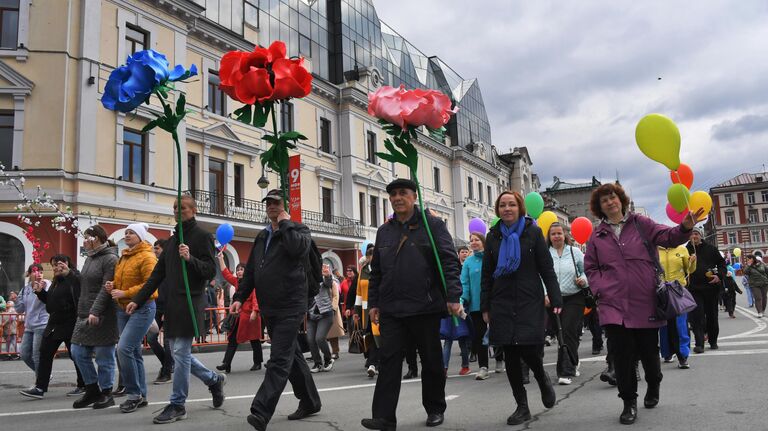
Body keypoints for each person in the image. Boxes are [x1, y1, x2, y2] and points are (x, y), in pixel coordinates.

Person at [584, 183, 701, 425]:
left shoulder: (640, 223)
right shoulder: (597, 235)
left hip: (645, 300)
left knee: (649, 354)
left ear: (621, 200)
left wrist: (685, 227)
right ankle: (628, 402)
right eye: (604, 200)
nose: (610, 202)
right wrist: (600, 289)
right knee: (622, 356)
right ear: (599, 207)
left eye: (613, 197)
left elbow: (668, 237)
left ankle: (654, 383)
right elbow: (591, 268)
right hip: (613, 306)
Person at [361, 178, 462, 431]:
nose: (397, 197)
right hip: (392, 309)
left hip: (425, 306)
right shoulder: (384, 231)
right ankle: (384, 418)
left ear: (414, 196)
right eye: (393, 194)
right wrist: (374, 302)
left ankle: (435, 408)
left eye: (402, 193)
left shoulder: (433, 226)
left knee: (431, 362)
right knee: (389, 362)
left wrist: (453, 296)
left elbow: (449, 262)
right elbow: (377, 272)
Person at [126, 195, 225, 424]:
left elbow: (210, 271)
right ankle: (213, 380)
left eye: (183, 208)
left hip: (191, 302)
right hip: (173, 304)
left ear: (193, 210)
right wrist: (138, 299)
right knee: (181, 353)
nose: (178, 211)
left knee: (180, 351)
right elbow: (156, 276)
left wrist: (190, 258)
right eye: (174, 208)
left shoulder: (202, 237)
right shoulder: (171, 242)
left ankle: (178, 404)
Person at [231, 188, 321, 431]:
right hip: (270, 306)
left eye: (276, 203)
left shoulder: (298, 230)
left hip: (291, 304)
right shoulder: (262, 236)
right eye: (268, 203)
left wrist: (286, 224)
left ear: (285, 206)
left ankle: (261, 411)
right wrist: (240, 296)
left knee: (279, 359)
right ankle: (311, 401)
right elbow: (251, 271)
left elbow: (297, 250)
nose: (271, 206)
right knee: (292, 356)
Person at [480, 191, 561, 426]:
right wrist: (485, 305)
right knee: (511, 356)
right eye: (503, 205)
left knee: (530, 350)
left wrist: (555, 297)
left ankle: (542, 378)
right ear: (497, 209)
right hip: (501, 301)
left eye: (512, 205)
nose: (507, 209)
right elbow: (486, 274)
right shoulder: (493, 236)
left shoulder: (533, 232)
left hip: (529, 300)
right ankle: (522, 406)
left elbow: (546, 268)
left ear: (520, 208)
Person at [107, 223, 159, 413]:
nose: (127, 235)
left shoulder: (147, 256)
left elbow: (150, 286)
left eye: (132, 233)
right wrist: (112, 285)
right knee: (134, 352)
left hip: (142, 308)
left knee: (124, 349)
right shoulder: (124, 256)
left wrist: (125, 292)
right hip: (123, 309)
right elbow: (123, 280)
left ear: (141, 236)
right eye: (126, 232)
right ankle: (141, 395)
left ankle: (133, 394)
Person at [20, 255, 85, 399]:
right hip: (54, 323)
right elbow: (49, 301)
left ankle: (83, 384)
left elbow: (79, 285)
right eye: (54, 265)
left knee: (76, 355)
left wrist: (68, 272)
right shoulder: (56, 281)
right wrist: (40, 292)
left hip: (70, 323)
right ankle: (40, 387)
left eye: (60, 264)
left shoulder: (75, 277)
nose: (57, 268)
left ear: (68, 264)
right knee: (44, 353)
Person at [69, 225, 119, 410]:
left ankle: (106, 393)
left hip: (103, 314)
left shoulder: (111, 259)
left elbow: (105, 290)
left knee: (104, 357)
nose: (84, 241)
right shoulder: (90, 258)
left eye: (86, 237)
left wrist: (95, 311)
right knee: (77, 352)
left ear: (95, 238)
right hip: (85, 313)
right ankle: (92, 390)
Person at [548, 222, 589, 386]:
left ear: (565, 235)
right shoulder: (545, 254)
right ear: (549, 237)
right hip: (554, 299)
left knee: (567, 331)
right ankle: (573, 360)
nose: (557, 236)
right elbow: (540, 275)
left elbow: (588, 270)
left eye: (559, 233)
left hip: (574, 297)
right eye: (553, 234)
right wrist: (545, 293)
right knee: (561, 334)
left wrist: (583, 279)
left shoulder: (575, 252)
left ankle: (565, 371)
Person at [215, 254, 263, 373]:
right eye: (237, 270)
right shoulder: (237, 282)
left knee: (254, 340)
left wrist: (255, 311)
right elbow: (226, 274)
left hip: (251, 315)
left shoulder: (251, 282)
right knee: (233, 339)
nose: (239, 272)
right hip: (239, 316)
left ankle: (257, 362)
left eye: (241, 269)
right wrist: (221, 259)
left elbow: (256, 298)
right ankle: (226, 363)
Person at [686, 226, 726, 351]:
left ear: (701, 235)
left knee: (712, 316)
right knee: (697, 317)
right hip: (693, 289)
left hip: (711, 288)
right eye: (692, 234)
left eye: (696, 234)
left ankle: (713, 340)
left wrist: (719, 276)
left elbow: (722, 264)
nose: (694, 236)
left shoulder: (711, 249)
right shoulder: (685, 250)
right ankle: (699, 344)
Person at [658, 245, 696, 369]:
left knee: (680, 324)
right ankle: (667, 352)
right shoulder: (654, 250)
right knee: (663, 324)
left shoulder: (681, 249)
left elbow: (689, 270)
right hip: (660, 291)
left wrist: (692, 262)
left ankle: (683, 355)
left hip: (677, 291)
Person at [460, 232, 488, 379]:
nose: (474, 242)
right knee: (481, 336)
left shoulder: (491, 258)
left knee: (499, 333)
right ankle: (483, 367)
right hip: (476, 306)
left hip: (494, 303)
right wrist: (461, 299)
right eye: (471, 240)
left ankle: (501, 359)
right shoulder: (468, 263)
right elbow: (464, 284)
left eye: (477, 239)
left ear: (483, 241)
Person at [148, 238, 174, 384]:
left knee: (168, 342)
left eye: (157, 248)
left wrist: (167, 309)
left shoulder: (171, 267)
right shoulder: (157, 266)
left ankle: (166, 373)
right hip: (155, 308)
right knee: (151, 338)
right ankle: (168, 364)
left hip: (169, 308)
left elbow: (172, 291)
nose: (154, 251)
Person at [16, 264, 50, 372]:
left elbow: (49, 300)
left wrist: (42, 289)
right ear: (29, 274)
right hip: (29, 325)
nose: (38, 274)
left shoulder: (47, 284)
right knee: (24, 354)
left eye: (40, 272)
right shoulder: (25, 289)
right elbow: (20, 309)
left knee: (37, 355)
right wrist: (16, 299)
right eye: (35, 271)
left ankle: (39, 382)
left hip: (42, 324)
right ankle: (44, 376)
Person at [307, 264, 337, 373]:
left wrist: (328, 275)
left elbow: (329, 284)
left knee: (319, 338)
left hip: (325, 314)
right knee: (310, 340)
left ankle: (328, 360)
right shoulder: (305, 280)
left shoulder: (322, 278)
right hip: (311, 315)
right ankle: (317, 363)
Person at [356, 246, 380, 378]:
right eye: (370, 255)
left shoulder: (383, 269)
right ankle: (373, 363)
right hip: (366, 310)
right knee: (371, 336)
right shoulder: (363, 271)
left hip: (380, 308)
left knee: (378, 335)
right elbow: (359, 293)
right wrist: (356, 311)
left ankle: (373, 363)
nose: (372, 258)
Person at [326, 266, 346, 361]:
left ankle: (335, 351)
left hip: (330, 308)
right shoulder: (316, 281)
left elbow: (336, 296)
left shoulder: (333, 282)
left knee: (332, 332)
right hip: (319, 309)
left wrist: (333, 308)